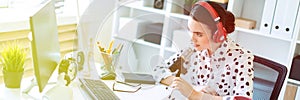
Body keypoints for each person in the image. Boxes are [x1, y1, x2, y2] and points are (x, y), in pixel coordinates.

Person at [153, 1, 254, 100]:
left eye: (199, 34)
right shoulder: (193, 50)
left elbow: (244, 99)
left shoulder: (242, 57)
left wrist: (195, 95)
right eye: (190, 31)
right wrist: (187, 87)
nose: (192, 39)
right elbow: (157, 70)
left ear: (217, 35)